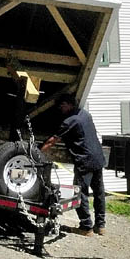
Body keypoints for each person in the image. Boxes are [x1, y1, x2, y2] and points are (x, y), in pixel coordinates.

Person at [41, 94, 106, 236]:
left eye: (62, 106)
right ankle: (100, 226)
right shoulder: (85, 115)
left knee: (80, 193)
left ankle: (86, 227)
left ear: (68, 104)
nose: (61, 109)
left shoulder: (70, 121)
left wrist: (38, 152)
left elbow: (52, 141)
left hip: (85, 160)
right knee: (99, 192)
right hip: (98, 158)